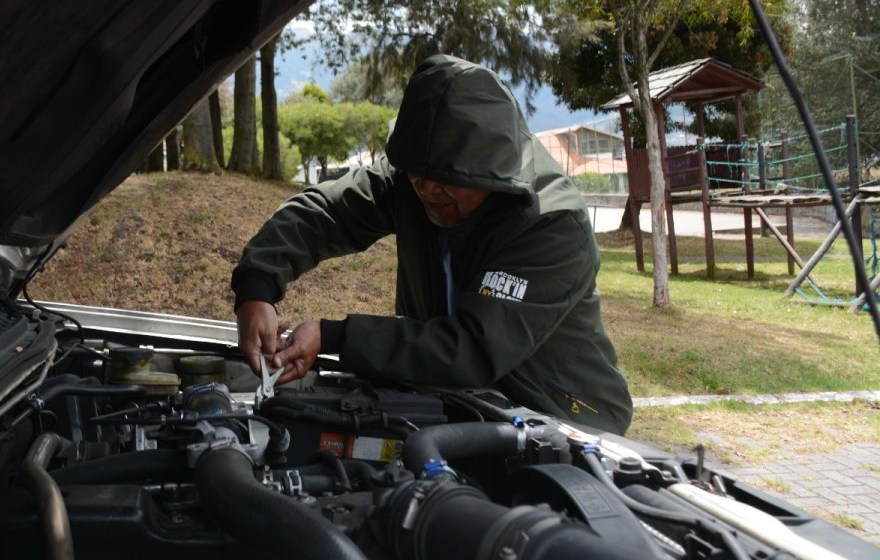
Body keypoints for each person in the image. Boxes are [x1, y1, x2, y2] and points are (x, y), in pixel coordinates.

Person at [231, 54, 633, 434]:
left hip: (564, 418)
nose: (426, 189)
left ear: (489, 171)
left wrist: (335, 336)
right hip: (452, 400)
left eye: (443, 178)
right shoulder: (416, 175)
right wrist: (257, 287)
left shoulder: (552, 223)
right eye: (416, 174)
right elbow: (327, 212)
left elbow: (470, 349)